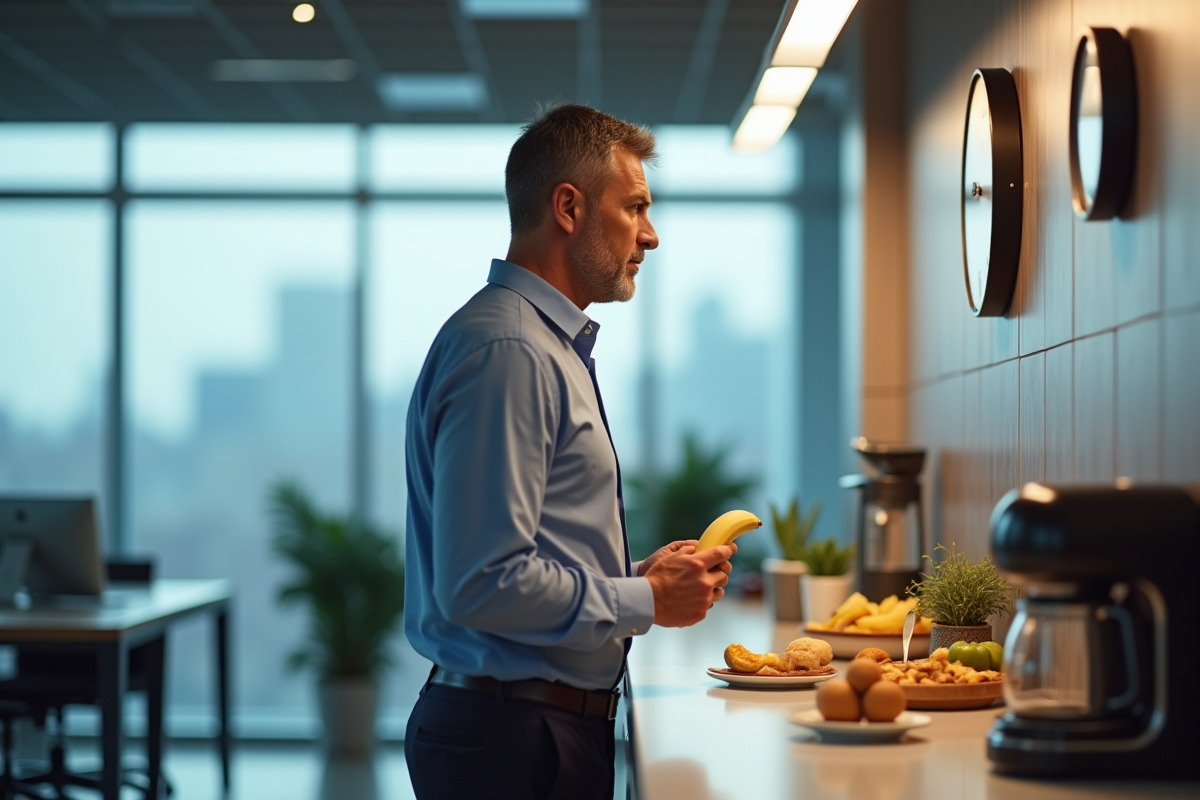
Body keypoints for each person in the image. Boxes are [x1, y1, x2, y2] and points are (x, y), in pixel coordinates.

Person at [403, 104, 738, 800]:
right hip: (512, 739)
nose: (651, 235)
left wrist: (635, 573)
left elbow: (522, 554)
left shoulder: (543, 344)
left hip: (530, 728)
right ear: (568, 207)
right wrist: (643, 597)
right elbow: (481, 582)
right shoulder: (512, 352)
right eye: (636, 207)